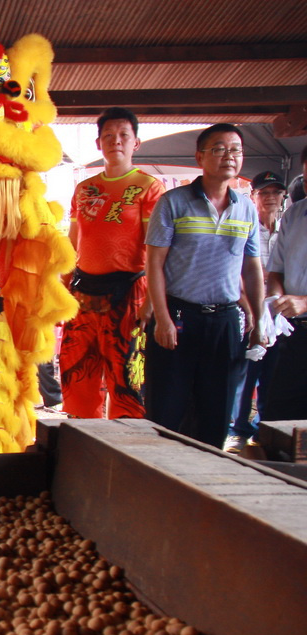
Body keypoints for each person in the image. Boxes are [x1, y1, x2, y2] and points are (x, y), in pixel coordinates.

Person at [143, 124, 264, 448]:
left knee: (215, 415)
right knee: (166, 414)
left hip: (224, 322)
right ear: (200, 156)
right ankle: (158, 487)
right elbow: (154, 263)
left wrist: (258, 319)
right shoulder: (173, 203)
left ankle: (202, 489)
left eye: (236, 149)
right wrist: (164, 319)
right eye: (220, 148)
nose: (230, 156)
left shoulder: (247, 208)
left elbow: (252, 268)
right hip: (179, 318)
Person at [61, 108, 165, 419]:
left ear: (136, 143)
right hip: (83, 293)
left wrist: (152, 304)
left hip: (130, 293)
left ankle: (123, 453)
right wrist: (62, 289)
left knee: (126, 380)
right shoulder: (84, 188)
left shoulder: (149, 187)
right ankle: (79, 442)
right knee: (77, 372)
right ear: (98, 143)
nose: (115, 141)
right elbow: (72, 243)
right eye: (108, 135)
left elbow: (157, 250)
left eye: (123, 135)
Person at [228, 169, 288, 448]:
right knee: (245, 371)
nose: (270, 198)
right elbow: (241, 271)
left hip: (282, 313)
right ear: (253, 197)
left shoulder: (291, 227)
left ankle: (264, 430)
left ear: (284, 196)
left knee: (274, 374)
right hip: (248, 309)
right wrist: (253, 309)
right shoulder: (247, 225)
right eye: (264, 193)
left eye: (276, 192)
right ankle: (238, 428)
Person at [263, 146, 307, 423]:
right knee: (279, 417)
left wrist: (304, 302)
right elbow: (276, 269)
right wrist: (275, 302)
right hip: (295, 335)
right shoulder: (294, 214)